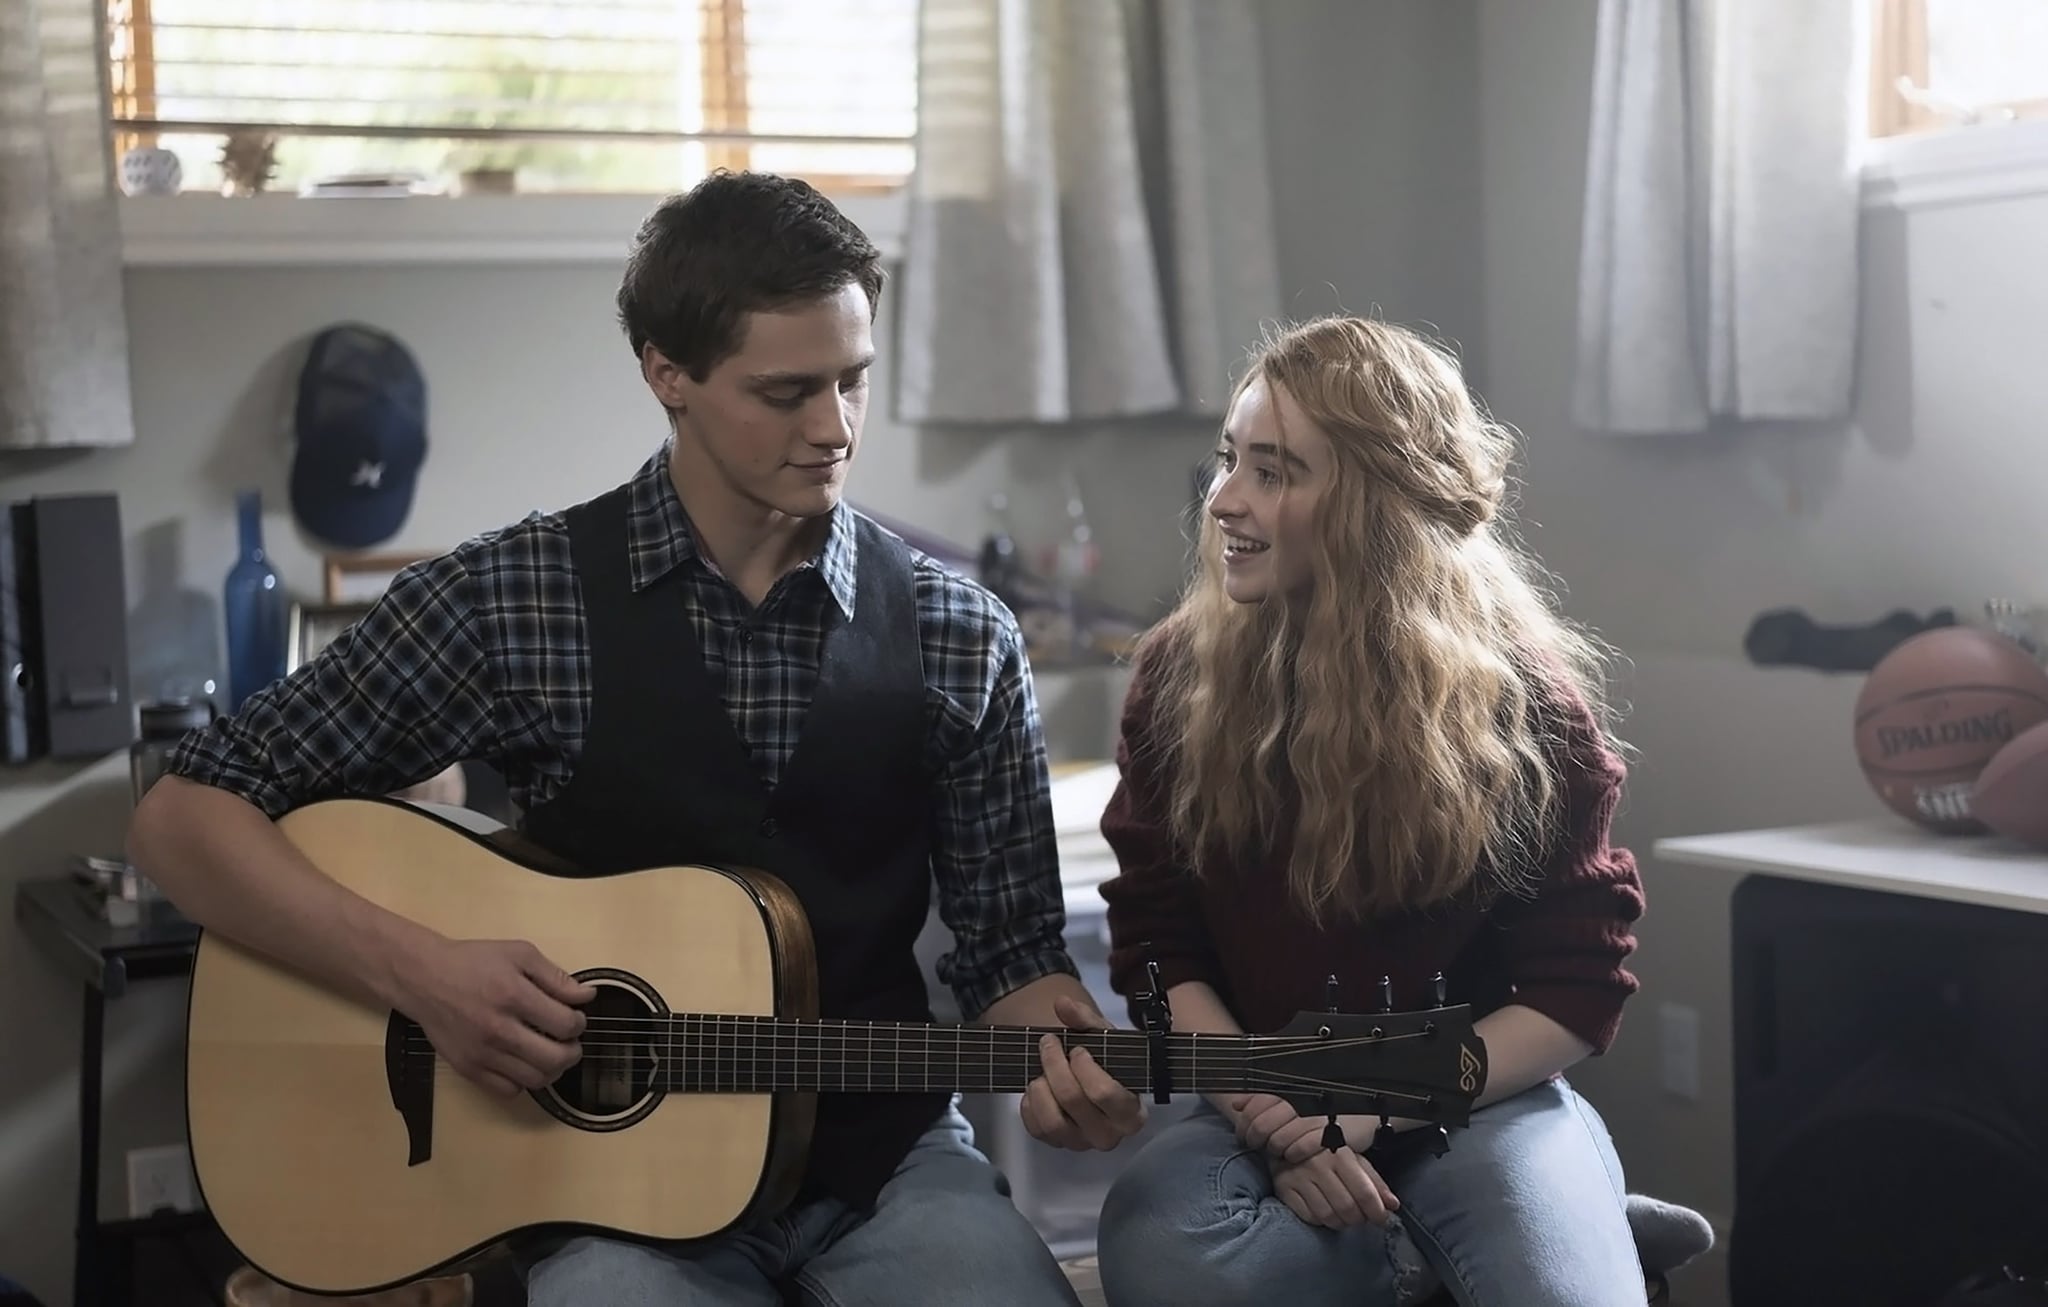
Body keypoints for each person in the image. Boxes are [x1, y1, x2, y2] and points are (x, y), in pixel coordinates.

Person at [127, 170, 1145, 1307]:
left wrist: (1065, 1060)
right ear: (667, 371)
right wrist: (422, 973)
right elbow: (183, 814)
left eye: (853, 381)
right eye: (785, 390)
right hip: (608, 1197)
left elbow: (1012, 961)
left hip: (882, 1167)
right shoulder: (511, 602)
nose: (834, 428)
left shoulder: (962, 635)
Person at [1090, 315, 1651, 1307]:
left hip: (1479, 1095)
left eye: (1273, 471)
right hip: (1260, 1094)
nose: (1221, 499)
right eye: (1229, 461)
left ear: (1375, 503)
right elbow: (1156, 946)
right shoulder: (1176, 677)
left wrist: (1368, 1109)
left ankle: (1551, 1216)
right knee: (1167, 1254)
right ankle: (1433, 1254)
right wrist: (1281, 1121)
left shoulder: (1523, 698)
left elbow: (1572, 985)